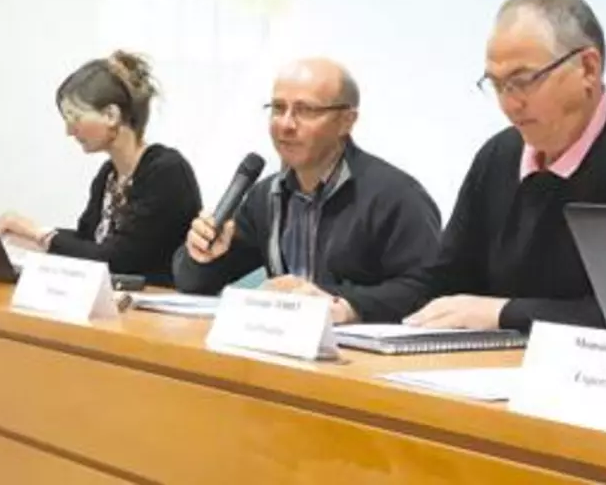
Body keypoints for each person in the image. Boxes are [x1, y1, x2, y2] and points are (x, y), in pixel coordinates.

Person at [403, 0, 606, 333]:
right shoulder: (500, 155)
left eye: (523, 81)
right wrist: (348, 307)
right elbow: (443, 284)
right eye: (497, 85)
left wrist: (504, 314)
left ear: (588, 68)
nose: (510, 104)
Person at [173, 57, 441, 323]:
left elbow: (425, 289)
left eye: (306, 111)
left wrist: (339, 303)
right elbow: (193, 283)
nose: (286, 125)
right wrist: (200, 256)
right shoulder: (266, 195)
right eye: (278, 108)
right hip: (282, 351)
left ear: (347, 121)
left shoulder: (396, 196)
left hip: (359, 359)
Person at [0, 50, 201, 286]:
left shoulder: (166, 172)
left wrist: (37, 233)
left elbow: (116, 259)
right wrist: (25, 237)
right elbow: (88, 244)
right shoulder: (108, 175)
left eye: (75, 118)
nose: (69, 131)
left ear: (111, 115)